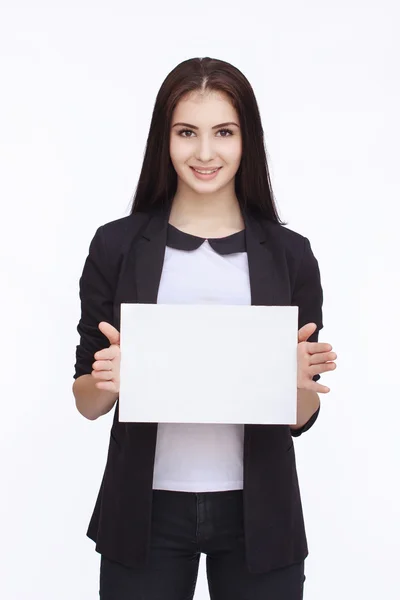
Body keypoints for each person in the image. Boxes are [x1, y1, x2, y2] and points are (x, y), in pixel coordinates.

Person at [72, 56, 337, 600]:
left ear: (247, 140)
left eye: (224, 132)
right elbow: (85, 401)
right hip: (145, 510)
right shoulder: (116, 246)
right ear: (164, 140)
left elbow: (300, 418)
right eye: (187, 132)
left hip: (258, 514)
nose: (205, 153)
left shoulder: (290, 255)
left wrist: (297, 383)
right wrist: (108, 379)